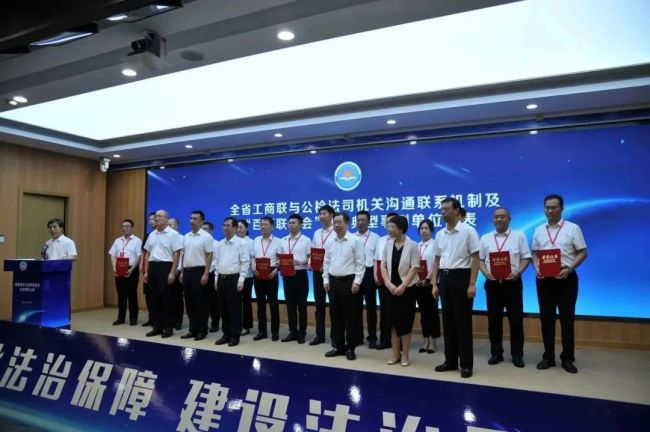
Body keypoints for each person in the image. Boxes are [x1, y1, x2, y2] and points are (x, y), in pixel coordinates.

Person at [532, 194, 587, 374]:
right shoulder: (539, 230)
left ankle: (567, 358)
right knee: (546, 319)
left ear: (562, 209)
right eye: (547, 207)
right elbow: (534, 253)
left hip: (566, 278)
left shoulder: (573, 228)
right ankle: (548, 356)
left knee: (567, 320)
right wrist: (537, 268)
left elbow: (583, 252)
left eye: (554, 207)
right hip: (544, 280)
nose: (550, 211)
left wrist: (569, 269)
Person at [430, 198, 481, 378]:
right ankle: (450, 360)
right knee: (448, 322)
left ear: (456, 211)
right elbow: (437, 260)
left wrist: (472, 283)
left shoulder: (468, 231)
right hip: (444, 278)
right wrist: (434, 283)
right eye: (441, 210)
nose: (442, 212)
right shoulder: (440, 234)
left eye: (446, 209)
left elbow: (476, 258)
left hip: (462, 277)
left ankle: (466, 364)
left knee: (462, 323)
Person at [479, 208, 531, 368]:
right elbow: (480, 260)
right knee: (494, 321)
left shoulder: (519, 236)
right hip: (492, 284)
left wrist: (518, 272)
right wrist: (486, 273)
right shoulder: (485, 238)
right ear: (493, 219)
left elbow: (526, 258)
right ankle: (496, 353)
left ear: (509, 219)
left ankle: (517, 355)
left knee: (516, 321)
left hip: (512, 284)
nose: (499, 220)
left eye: (502, 217)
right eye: (496, 217)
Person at [323, 212, 365, 361]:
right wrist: (325, 280)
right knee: (335, 316)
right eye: (334, 222)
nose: (336, 225)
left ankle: (350, 347)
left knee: (350, 317)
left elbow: (360, 262)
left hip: (349, 282)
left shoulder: (355, 240)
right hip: (333, 282)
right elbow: (326, 262)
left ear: (347, 223)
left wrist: (357, 282)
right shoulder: (330, 241)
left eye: (339, 222)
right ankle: (338, 346)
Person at [380, 215, 420, 367]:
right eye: (388, 226)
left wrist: (403, 286)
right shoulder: (388, 245)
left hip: (407, 289)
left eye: (392, 227)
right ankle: (395, 354)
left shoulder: (413, 245)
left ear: (401, 229)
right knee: (392, 322)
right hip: (391, 288)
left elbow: (414, 267)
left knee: (405, 322)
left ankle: (405, 355)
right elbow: (383, 265)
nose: (388, 229)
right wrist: (388, 283)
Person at [143, 210, 183, 338]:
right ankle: (157, 327)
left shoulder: (173, 234)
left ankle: (168, 327)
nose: (156, 218)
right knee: (153, 298)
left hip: (166, 266)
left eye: (159, 216)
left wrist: (172, 272)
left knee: (167, 299)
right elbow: (148, 253)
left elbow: (176, 254)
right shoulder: (152, 234)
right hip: (153, 267)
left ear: (166, 219)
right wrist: (146, 271)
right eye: (155, 216)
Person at [214, 217, 250, 347]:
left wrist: (241, 280)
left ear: (235, 228)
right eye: (224, 225)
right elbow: (217, 262)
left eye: (228, 225)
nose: (225, 228)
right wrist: (216, 279)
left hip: (234, 279)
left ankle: (235, 335)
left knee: (234, 309)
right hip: (221, 278)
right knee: (223, 308)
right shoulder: (220, 243)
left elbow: (245, 262)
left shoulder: (241, 243)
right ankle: (226, 334)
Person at [180, 210, 214, 341]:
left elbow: (209, 255)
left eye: (195, 219)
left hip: (200, 271)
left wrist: (206, 273)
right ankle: (192, 329)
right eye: (191, 218)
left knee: (200, 303)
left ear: (201, 221)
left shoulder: (206, 237)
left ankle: (202, 330)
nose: (191, 221)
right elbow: (183, 255)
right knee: (189, 303)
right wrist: (182, 272)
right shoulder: (186, 236)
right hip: (187, 272)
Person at [279, 214, 311, 344]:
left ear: (300, 225)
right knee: (290, 305)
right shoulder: (283, 240)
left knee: (302, 305)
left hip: (300, 274)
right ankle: (293, 331)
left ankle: (302, 333)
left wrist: (300, 262)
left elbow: (310, 258)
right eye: (290, 223)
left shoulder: (306, 240)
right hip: (287, 275)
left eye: (294, 223)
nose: (291, 225)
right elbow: (280, 257)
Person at [252, 216, 282, 341]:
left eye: (266, 224)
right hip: (258, 273)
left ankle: (275, 332)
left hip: (271, 273)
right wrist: (253, 267)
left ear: (272, 226)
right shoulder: (256, 240)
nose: (263, 227)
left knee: (273, 304)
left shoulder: (278, 241)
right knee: (260, 304)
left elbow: (281, 259)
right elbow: (253, 257)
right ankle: (262, 331)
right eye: (261, 224)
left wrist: (276, 270)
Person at [309, 205, 336, 346]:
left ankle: (335, 336)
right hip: (317, 272)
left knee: (334, 306)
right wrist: (310, 263)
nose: (321, 216)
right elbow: (313, 251)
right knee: (319, 305)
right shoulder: (316, 232)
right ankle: (319, 335)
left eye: (324, 213)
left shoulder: (336, 231)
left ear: (331, 215)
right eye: (320, 214)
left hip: (331, 273)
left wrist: (326, 267)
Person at [108, 219, 142, 326]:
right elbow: (112, 255)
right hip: (119, 268)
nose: (124, 228)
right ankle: (121, 317)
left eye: (127, 226)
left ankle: (133, 318)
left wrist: (132, 269)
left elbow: (139, 256)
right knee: (121, 294)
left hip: (132, 268)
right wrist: (114, 267)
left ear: (132, 228)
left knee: (132, 294)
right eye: (123, 226)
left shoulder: (137, 241)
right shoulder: (117, 240)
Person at [414, 219, 440, 354]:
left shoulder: (435, 245)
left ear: (432, 230)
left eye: (426, 228)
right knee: (423, 314)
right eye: (421, 228)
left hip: (431, 283)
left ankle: (433, 341)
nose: (423, 230)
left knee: (432, 313)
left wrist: (428, 278)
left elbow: (436, 264)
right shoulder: (416, 246)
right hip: (418, 284)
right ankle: (425, 340)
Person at [373, 212, 399, 350]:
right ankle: (385, 339)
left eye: (392, 223)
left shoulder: (404, 241)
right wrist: (375, 275)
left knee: (397, 311)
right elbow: (376, 259)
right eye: (387, 222)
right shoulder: (381, 240)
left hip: (398, 281)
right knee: (384, 310)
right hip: (382, 280)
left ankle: (399, 341)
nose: (389, 225)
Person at [355, 210, 380, 348]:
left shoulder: (376, 238)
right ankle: (358, 336)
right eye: (358, 220)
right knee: (356, 307)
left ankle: (372, 337)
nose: (360, 222)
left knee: (371, 307)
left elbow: (377, 259)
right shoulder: (351, 237)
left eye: (363, 220)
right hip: (355, 274)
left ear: (369, 222)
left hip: (369, 273)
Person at [237, 219, 255, 336]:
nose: (239, 230)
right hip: (234, 275)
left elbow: (252, 258)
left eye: (241, 227)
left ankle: (246, 326)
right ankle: (237, 324)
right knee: (236, 302)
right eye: (237, 227)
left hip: (247, 276)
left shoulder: (250, 242)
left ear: (246, 228)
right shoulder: (234, 241)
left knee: (246, 301)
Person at [202, 221, 220, 333]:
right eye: (202, 229)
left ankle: (215, 323)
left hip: (212, 273)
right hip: (201, 273)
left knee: (214, 301)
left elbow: (217, 261)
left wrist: (208, 271)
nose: (204, 231)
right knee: (202, 301)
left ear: (211, 231)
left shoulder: (216, 244)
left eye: (206, 229)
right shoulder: (200, 242)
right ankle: (203, 323)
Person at [168, 217, 185, 330]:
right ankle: (169, 320)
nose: (168, 227)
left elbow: (183, 257)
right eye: (167, 225)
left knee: (177, 298)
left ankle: (178, 320)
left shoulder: (182, 239)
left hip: (178, 272)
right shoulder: (165, 238)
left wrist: (180, 271)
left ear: (177, 226)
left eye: (171, 225)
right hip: (166, 271)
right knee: (167, 297)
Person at [140, 212, 157, 327]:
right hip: (148, 267)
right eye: (149, 219)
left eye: (153, 219)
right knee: (148, 294)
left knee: (158, 294)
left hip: (158, 267)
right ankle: (151, 317)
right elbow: (144, 252)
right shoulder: (148, 235)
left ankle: (159, 318)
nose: (151, 221)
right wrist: (142, 264)